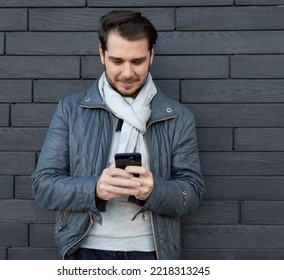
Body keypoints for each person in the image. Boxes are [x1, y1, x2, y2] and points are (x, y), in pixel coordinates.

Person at [31, 10, 205, 260]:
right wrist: (95, 188)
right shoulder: (71, 110)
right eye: (117, 61)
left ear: (151, 56)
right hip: (84, 251)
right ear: (101, 55)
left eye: (137, 62)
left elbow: (193, 193)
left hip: (152, 253)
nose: (126, 73)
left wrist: (154, 190)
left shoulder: (178, 117)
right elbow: (43, 186)